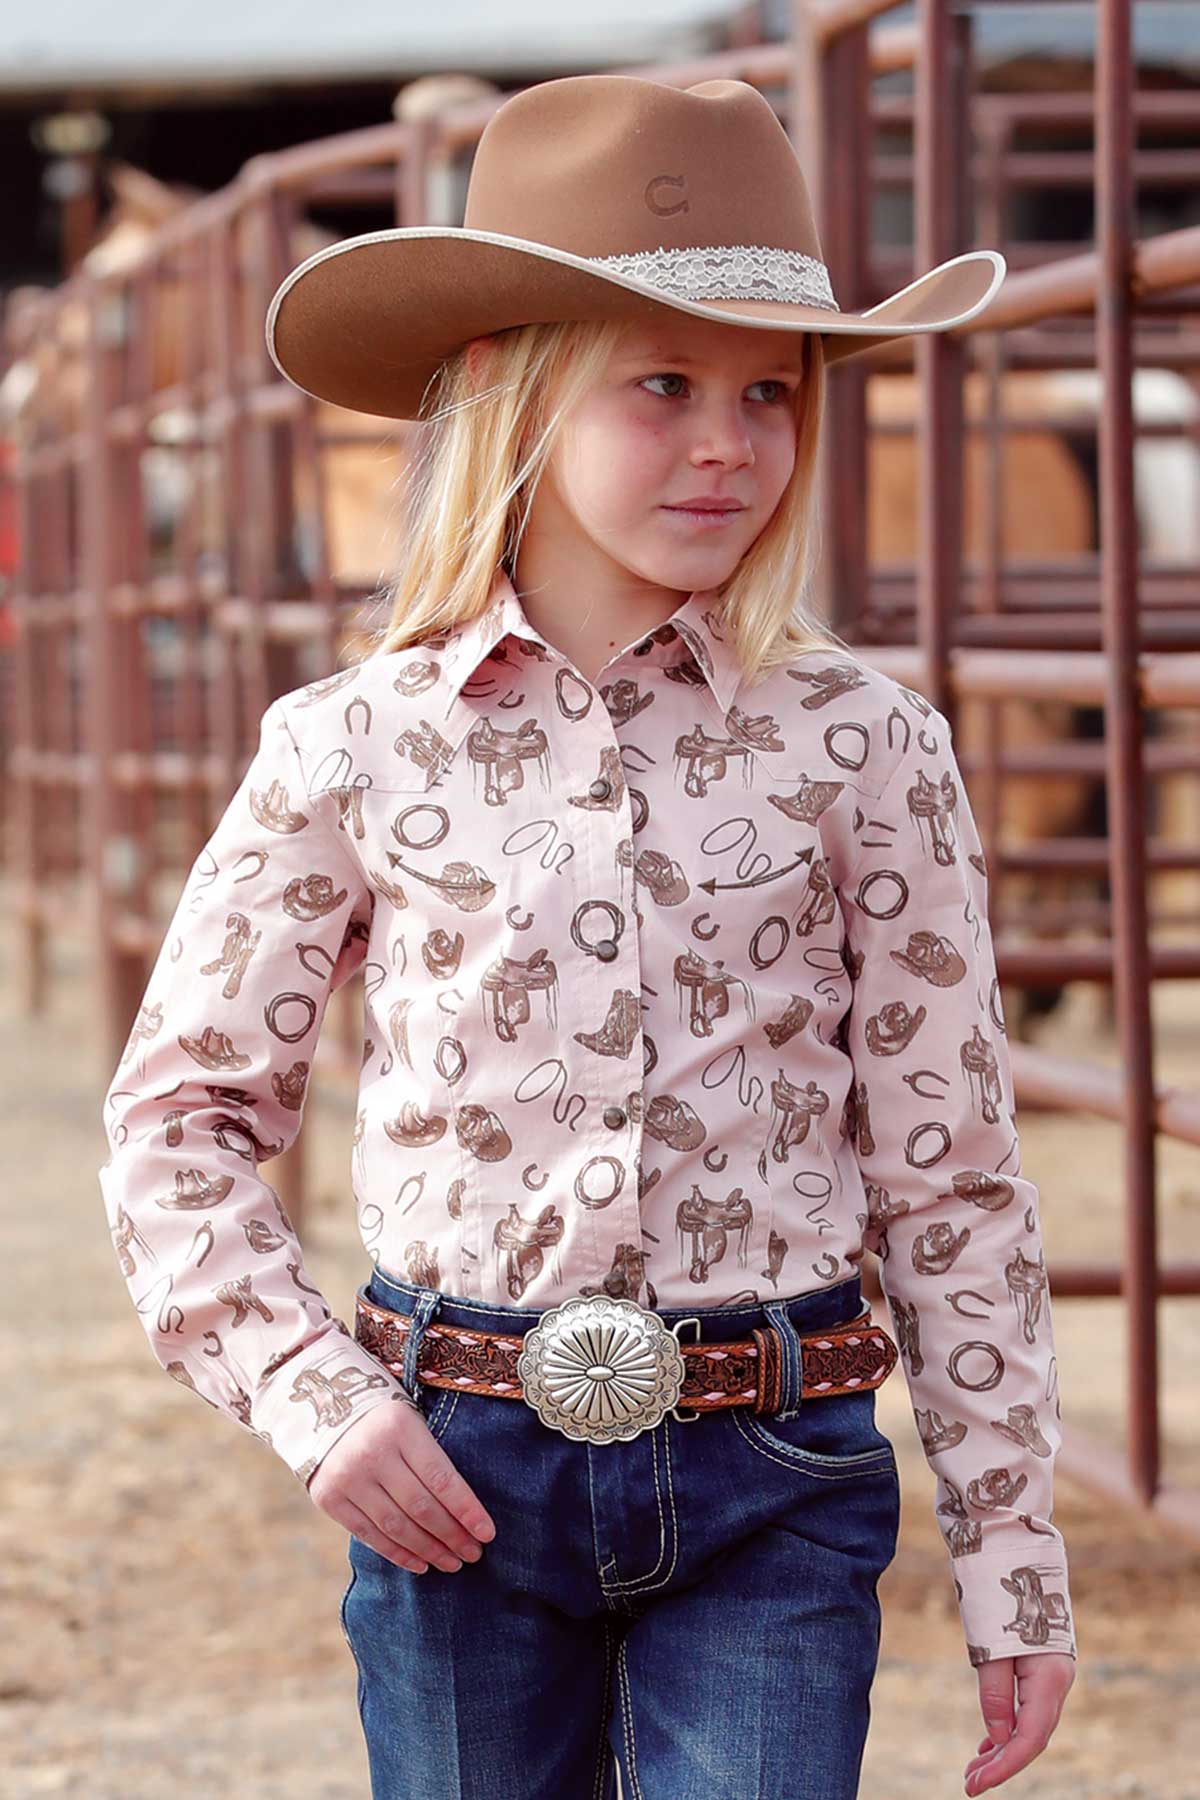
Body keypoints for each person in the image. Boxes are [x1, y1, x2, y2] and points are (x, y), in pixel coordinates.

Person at [99, 72, 1076, 1800]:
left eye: (770, 391)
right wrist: (316, 1400)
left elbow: (950, 1174)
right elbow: (180, 1120)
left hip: (778, 1463)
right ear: (513, 393)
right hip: (454, 1470)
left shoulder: (866, 746)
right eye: (662, 384)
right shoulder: (354, 744)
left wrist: (1014, 1561)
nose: (729, 441)